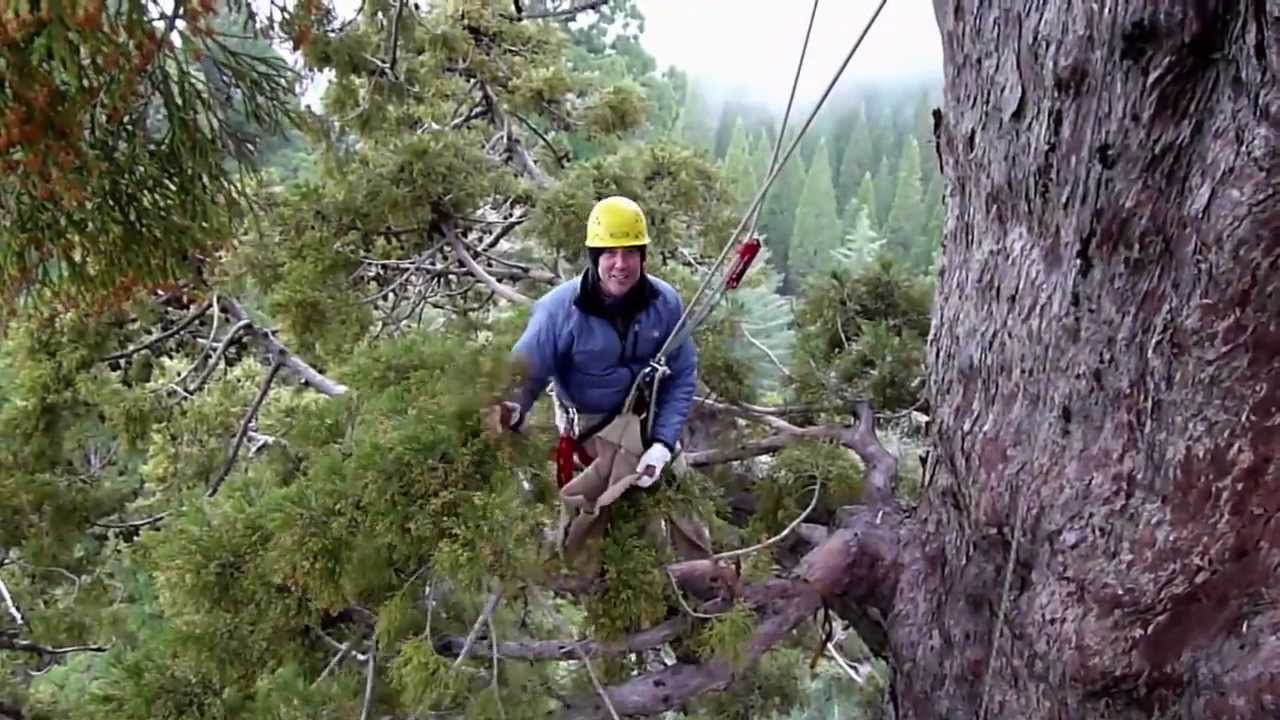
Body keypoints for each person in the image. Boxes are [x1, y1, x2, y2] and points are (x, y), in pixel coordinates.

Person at [490, 195, 707, 568]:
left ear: (643, 255)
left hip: (647, 419)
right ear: (594, 257)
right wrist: (509, 408)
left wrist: (662, 443)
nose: (620, 264)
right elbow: (523, 374)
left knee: (686, 521)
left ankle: (706, 584)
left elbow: (682, 374)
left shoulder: (665, 303)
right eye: (609, 253)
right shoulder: (559, 311)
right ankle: (591, 592)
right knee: (587, 533)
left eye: (629, 253)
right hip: (592, 431)